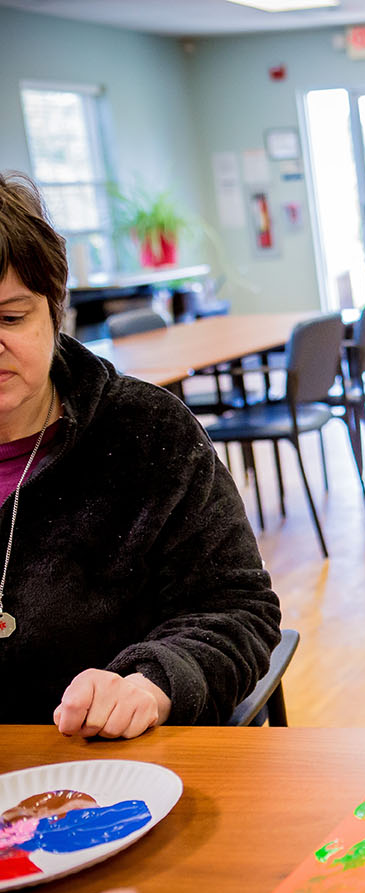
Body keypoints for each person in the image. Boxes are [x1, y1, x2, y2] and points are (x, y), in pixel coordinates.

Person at [0, 171, 281, 737]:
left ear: (56, 312)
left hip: (117, 774)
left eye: (10, 318)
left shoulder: (147, 433)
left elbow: (238, 610)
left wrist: (151, 684)